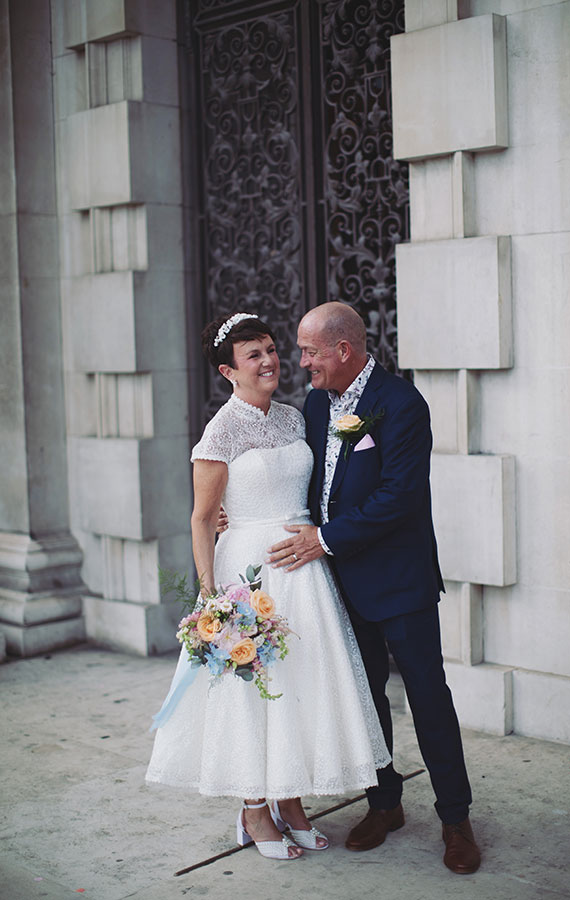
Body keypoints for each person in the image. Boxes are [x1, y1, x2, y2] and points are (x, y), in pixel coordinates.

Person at [145, 312, 390, 861]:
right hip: (249, 576)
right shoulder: (221, 431)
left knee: (299, 685)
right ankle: (254, 809)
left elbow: (327, 473)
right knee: (253, 691)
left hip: (306, 572)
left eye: (271, 348)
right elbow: (204, 519)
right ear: (228, 371)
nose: (269, 360)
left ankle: (291, 800)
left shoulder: (296, 418)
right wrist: (212, 598)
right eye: (252, 354)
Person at [267, 301, 481, 874]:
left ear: (344, 350)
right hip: (340, 584)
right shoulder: (316, 403)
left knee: (428, 699)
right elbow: (303, 482)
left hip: (399, 581)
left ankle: (456, 819)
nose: (302, 361)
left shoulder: (403, 404)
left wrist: (326, 539)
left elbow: (399, 496)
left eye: (311, 351)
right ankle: (384, 804)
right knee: (365, 702)